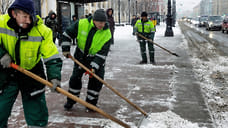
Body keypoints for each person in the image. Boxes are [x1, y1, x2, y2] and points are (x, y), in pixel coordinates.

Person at [0, 0, 62, 127]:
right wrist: (1, 54)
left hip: (31, 72)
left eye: (31, 16)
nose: (29, 21)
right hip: (7, 73)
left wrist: (54, 77)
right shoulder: (1, 23)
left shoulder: (42, 31)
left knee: (37, 115)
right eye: (25, 16)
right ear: (14, 14)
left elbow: (51, 56)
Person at [61, 9, 111, 112]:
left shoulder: (107, 34)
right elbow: (67, 34)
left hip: (96, 59)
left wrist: (93, 67)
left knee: (96, 81)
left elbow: (102, 54)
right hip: (81, 57)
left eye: (104, 22)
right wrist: (66, 49)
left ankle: (91, 103)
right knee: (75, 79)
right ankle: (71, 100)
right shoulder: (81, 23)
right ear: (94, 20)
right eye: (100, 22)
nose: (102, 25)